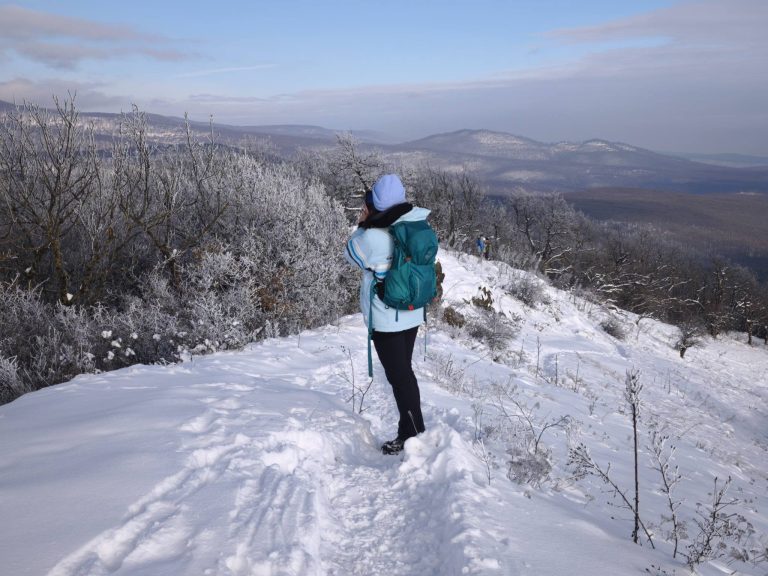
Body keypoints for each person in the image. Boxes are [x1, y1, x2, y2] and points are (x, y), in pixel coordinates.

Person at [344, 174, 429, 455]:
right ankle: (412, 430)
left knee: (400, 377)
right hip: (412, 312)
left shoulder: (372, 237)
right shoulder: (415, 223)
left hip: (386, 319)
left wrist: (362, 223)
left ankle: (412, 435)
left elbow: (350, 254)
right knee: (404, 373)